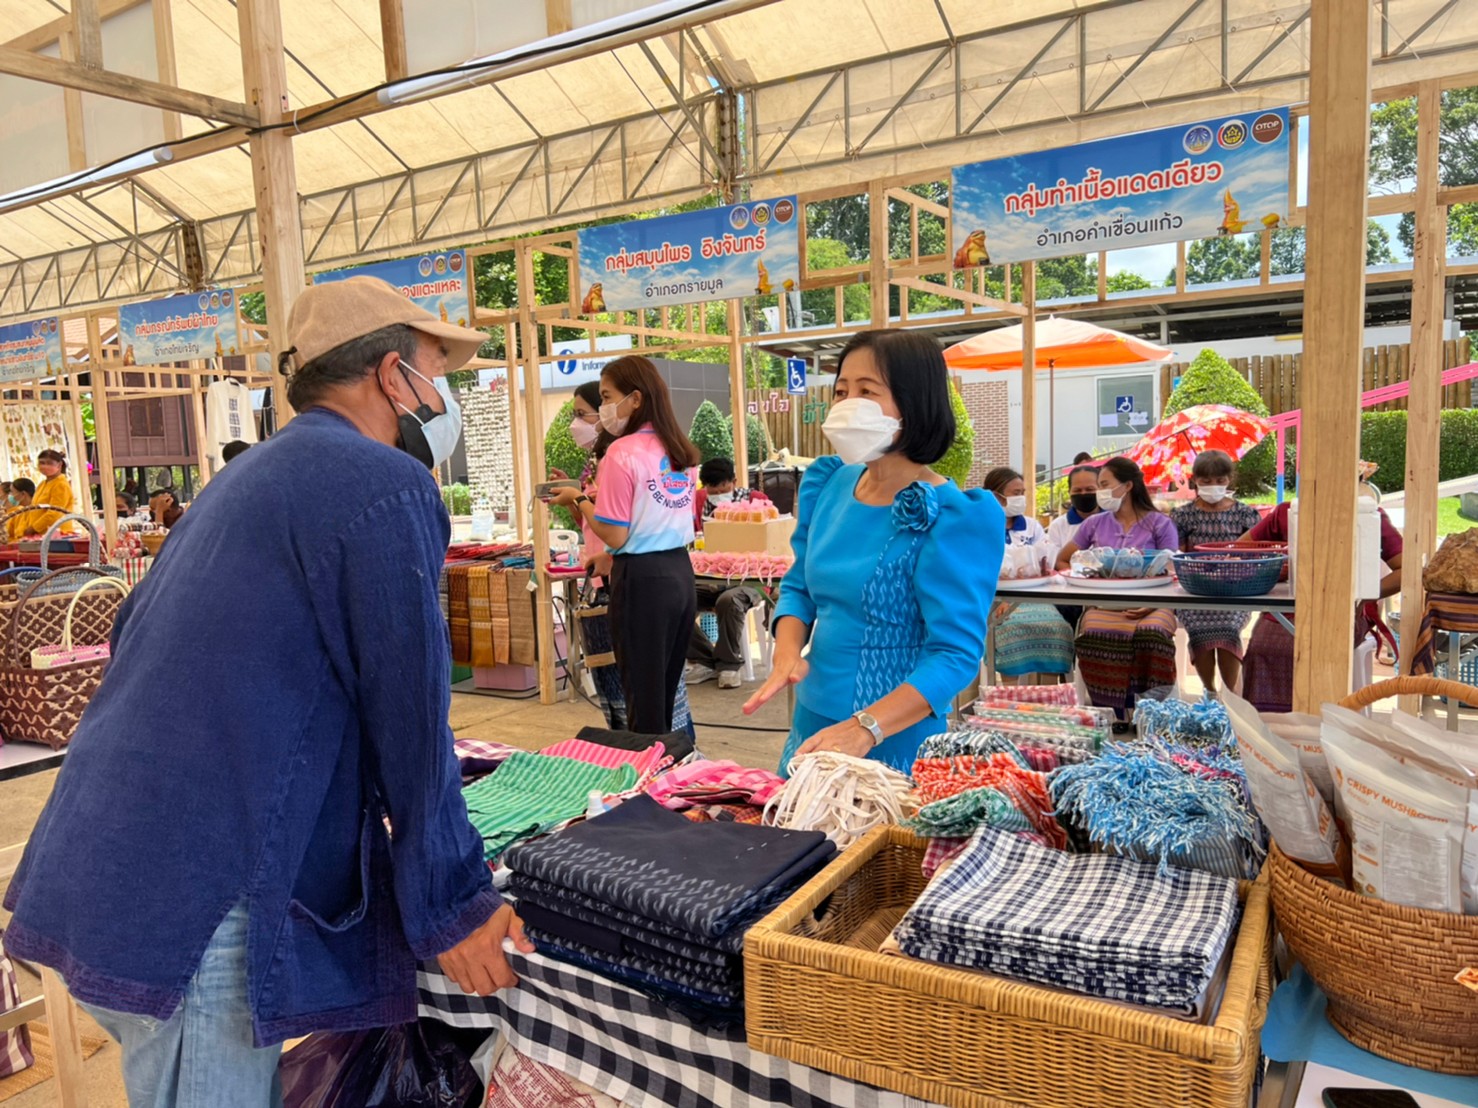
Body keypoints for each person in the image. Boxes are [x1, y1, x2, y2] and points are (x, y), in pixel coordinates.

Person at [3, 276, 532, 1106]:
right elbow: (411, 718)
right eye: (438, 370)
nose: (446, 394)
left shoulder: (246, 481)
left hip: (107, 873)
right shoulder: (383, 485)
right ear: (394, 377)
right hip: (198, 903)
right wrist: (455, 904)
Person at [743, 330, 1001, 773]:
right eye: (841, 391)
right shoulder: (829, 483)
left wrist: (866, 728)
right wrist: (787, 650)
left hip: (893, 733)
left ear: (914, 401)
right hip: (813, 719)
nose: (847, 405)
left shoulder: (958, 516)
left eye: (867, 391)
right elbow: (800, 585)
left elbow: (955, 654)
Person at [550, 356, 700, 734]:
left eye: (606, 397)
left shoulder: (622, 452)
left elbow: (616, 532)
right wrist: (609, 554)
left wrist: (577, 499)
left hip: (644, 581)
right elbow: (654, 524)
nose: (603, 409)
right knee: (664, 690)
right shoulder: (678, 449)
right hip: (680, 573)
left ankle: (646, 782)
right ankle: (669, 773)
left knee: (643, 699)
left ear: (635, 398)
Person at [1239, 496, 1403, 712]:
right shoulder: (1287, 513)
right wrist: (1277, 567)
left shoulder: (1368, 516)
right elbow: (1241, 550)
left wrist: (1365, 596)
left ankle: (1321, 721)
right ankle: (1269, 726)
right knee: (1262, 647)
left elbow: (1406, 569)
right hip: (1293, 607)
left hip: (1349, 610)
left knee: (1320, 647)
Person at [1056, 457, 1180, 716]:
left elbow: (1174, 571)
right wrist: (1085, 581)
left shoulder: (1160, 523)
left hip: (1153, 605)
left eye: (1104, 484)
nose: (1099, 492)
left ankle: (1150, 712)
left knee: (1153, 635)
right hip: (1104, 605)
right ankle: (1111, 713)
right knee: (1094, 634)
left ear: (1127, 486)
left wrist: (1151, 605)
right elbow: (1062, 560)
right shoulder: (1094, 524)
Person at [1168, 450, 1261, 695]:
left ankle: (1231, 695)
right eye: (1206, 481)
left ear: (1230, 479)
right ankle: (1209, 691)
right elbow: (1175, 553)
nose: (1213, 486)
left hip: (1235, 590)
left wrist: (1235, 562)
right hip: (1195, 589)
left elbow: (1257, 552)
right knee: (1199, 629)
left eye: (1220, 481)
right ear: (1195, 480)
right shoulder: (1182, 515)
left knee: (1229, 628)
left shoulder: (1246, 514)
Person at [981, 466, 1074, 684]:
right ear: (996, 496)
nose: (1021, 498)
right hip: (993, 601)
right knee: (1010, 629)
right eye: (1016, 493)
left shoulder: (1032, 527)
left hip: (1034, 598)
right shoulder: (981, 527)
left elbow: (1043, 566)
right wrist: (1003, 600)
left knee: (1057, 629)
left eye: (1023, 492)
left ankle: (1047, 698)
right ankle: (1010, 699)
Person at [691, 456, 769, 530]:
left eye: (723, 491)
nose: (719, 496)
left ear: (734, 482)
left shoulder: (755, 499)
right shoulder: (698, 500)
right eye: (713, 492)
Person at [17, 449, 75, 536]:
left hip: (58, 534)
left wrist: (33, 528)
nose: (45, 466)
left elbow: (54, 512)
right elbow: (35, 509)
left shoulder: (61, 485)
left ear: (59, 465)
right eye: (42, 463)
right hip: (41, 534)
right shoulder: (42, 484)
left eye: (49, 463)